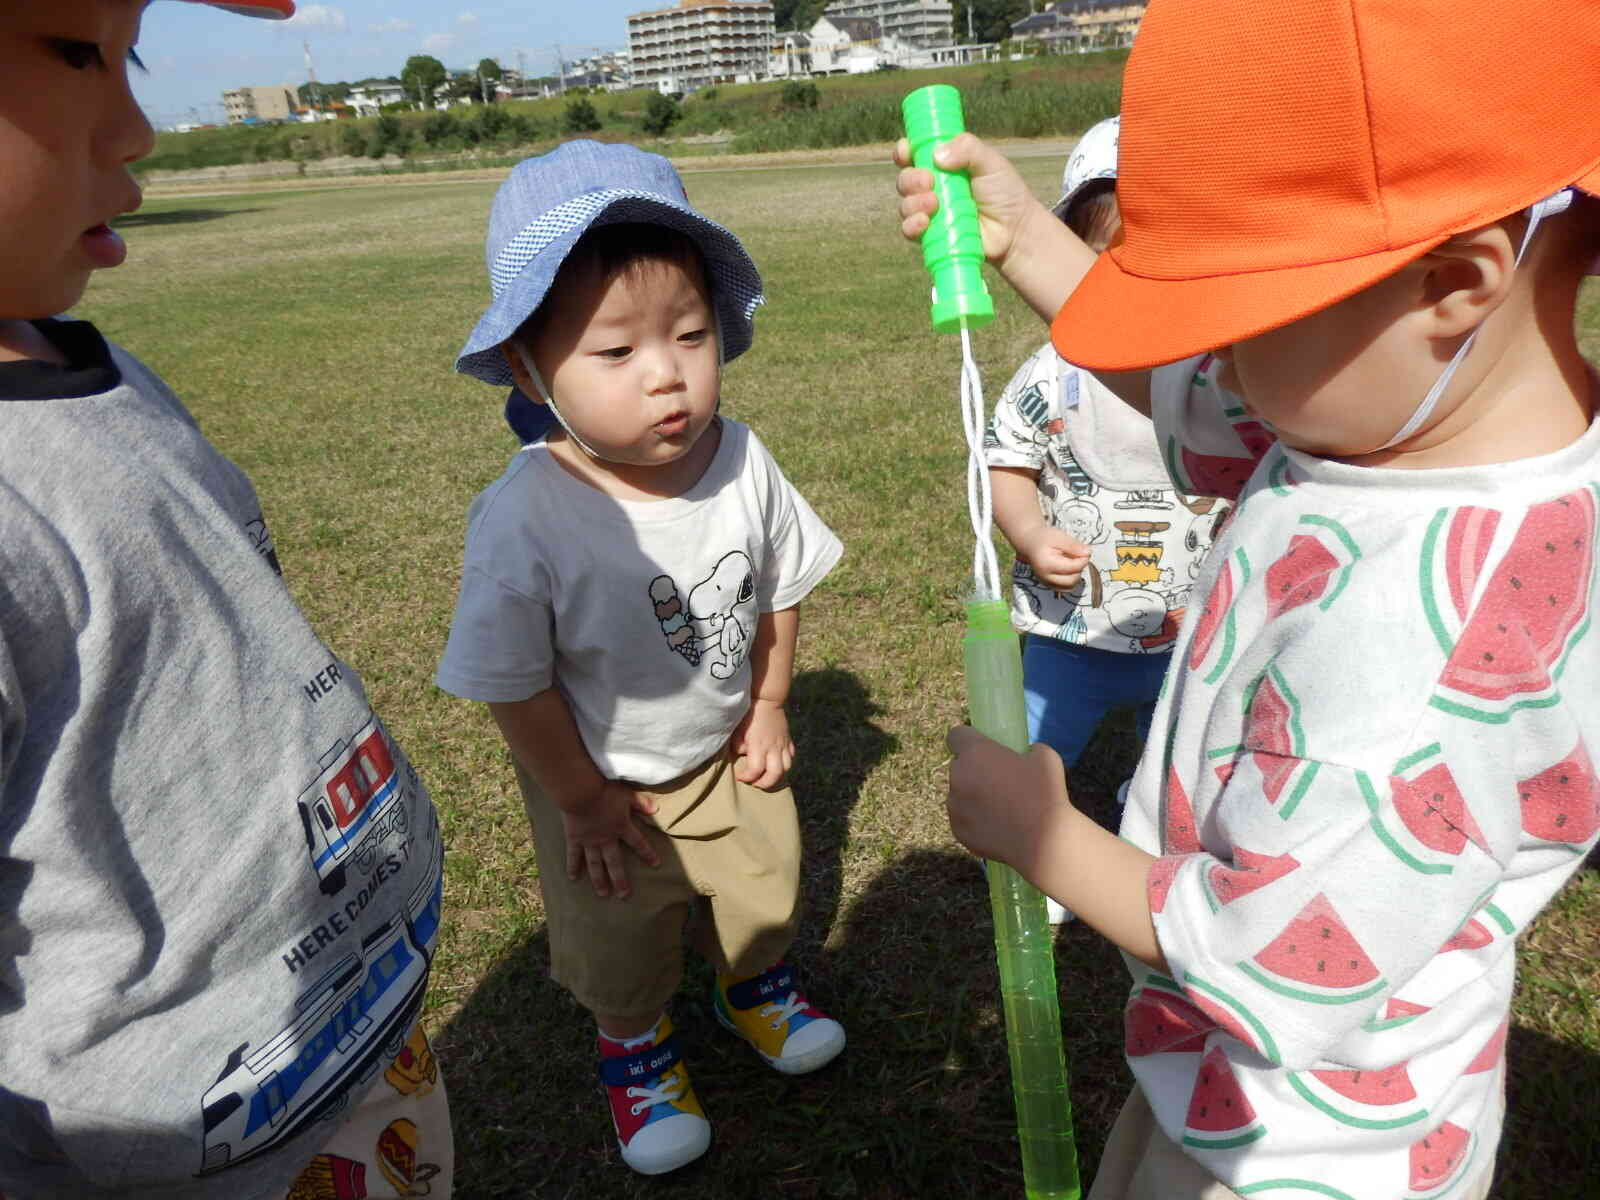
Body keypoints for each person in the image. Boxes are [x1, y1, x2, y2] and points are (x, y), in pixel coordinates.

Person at [895, 1, 1600, 1197]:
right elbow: (1190, 392)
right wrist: (1020, 238)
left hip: (1304, 1149)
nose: (1213, 356)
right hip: (1238, 1086)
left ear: (1454, 281)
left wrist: (1044, 837)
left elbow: (1275, 960)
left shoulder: (1420, 661)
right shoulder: (1385, 424)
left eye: (1240, 312)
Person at [0, 3, 451, 1199]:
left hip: (347, 1045)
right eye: (79, 50)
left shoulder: (86, 364)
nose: (138, 125)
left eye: (131, 52)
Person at [436, 140, 846, 1176]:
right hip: (602, 782)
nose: (667, 374)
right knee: (619, 939)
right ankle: (636, 1049)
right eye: (614, 354)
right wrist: (577, 797)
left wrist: (771, 700)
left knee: (762, 883)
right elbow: (513, 682)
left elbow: (779, 585)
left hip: (728, 744)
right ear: (531, 369)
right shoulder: (526, 517)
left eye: (693, 335)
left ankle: (751, 986)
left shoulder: (744, 459)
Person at [985, 116, 1230, 923]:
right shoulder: (1055, 372)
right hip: (1071, 628)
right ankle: (1045, 839)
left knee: (1191, 744)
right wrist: (1026, 531)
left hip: (1186, 625)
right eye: (1113, 262)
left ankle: (1148, 802)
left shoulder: (1222, 373)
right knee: (1036, 747)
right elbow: (1008, 461)